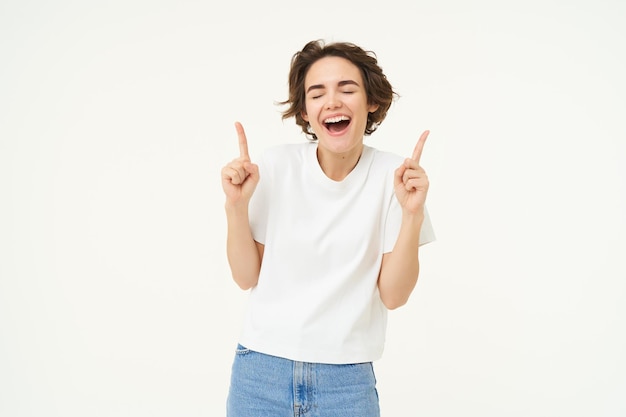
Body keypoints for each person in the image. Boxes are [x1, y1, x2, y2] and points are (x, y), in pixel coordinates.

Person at [221, 39, 435, 417]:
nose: (332, 102)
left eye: (347, 89)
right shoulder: (276, 166)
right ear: (305, 112)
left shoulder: (395, 178)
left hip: (346, 382)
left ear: (371, 101)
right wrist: (236, 208)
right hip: (260, 373)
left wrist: (412, 214)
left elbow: (394, 296)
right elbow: (245, 276)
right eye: (317, 93)